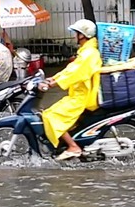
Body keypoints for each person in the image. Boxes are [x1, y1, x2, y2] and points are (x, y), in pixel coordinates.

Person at [40, 19, 102, 161]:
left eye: (76, 33)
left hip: (82, 98)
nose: (74, 35)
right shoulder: (86, 52)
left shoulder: (89, 54)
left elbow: (75, 73)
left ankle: (73, 147)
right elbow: (70, 69)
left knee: (51, 116)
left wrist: (54, 84)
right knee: (50, 112)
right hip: (78, 95)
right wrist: (53, 78)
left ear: (82, 35)